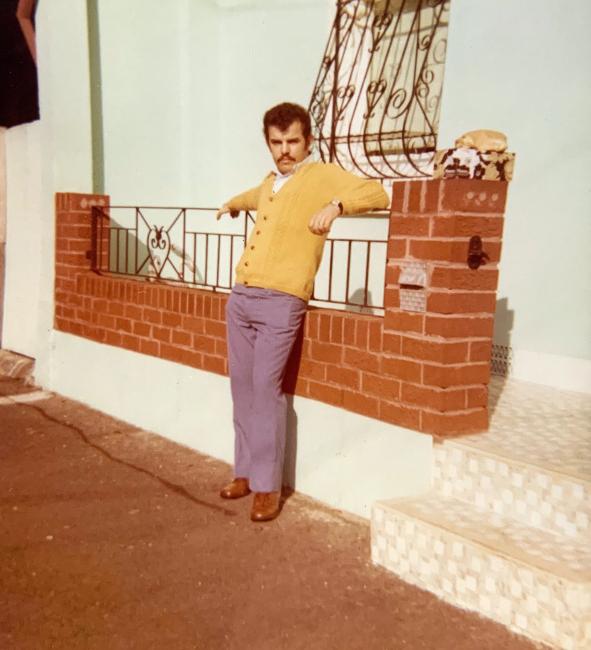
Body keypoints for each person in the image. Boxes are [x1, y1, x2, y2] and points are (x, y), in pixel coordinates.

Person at [216, 102, 389, 522]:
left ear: (307, 140)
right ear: (268, 144)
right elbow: (257, 196)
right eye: (277, 143)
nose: (285, 150)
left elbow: (378, 191)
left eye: (293, 141)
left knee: (265, 388)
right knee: (241, 387)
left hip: (282, 300)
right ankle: (244, 473)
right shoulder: (270, 181)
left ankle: (267, 487)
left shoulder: (321, 175)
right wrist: (233, 204)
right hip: (242, 297)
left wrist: (337, 207)